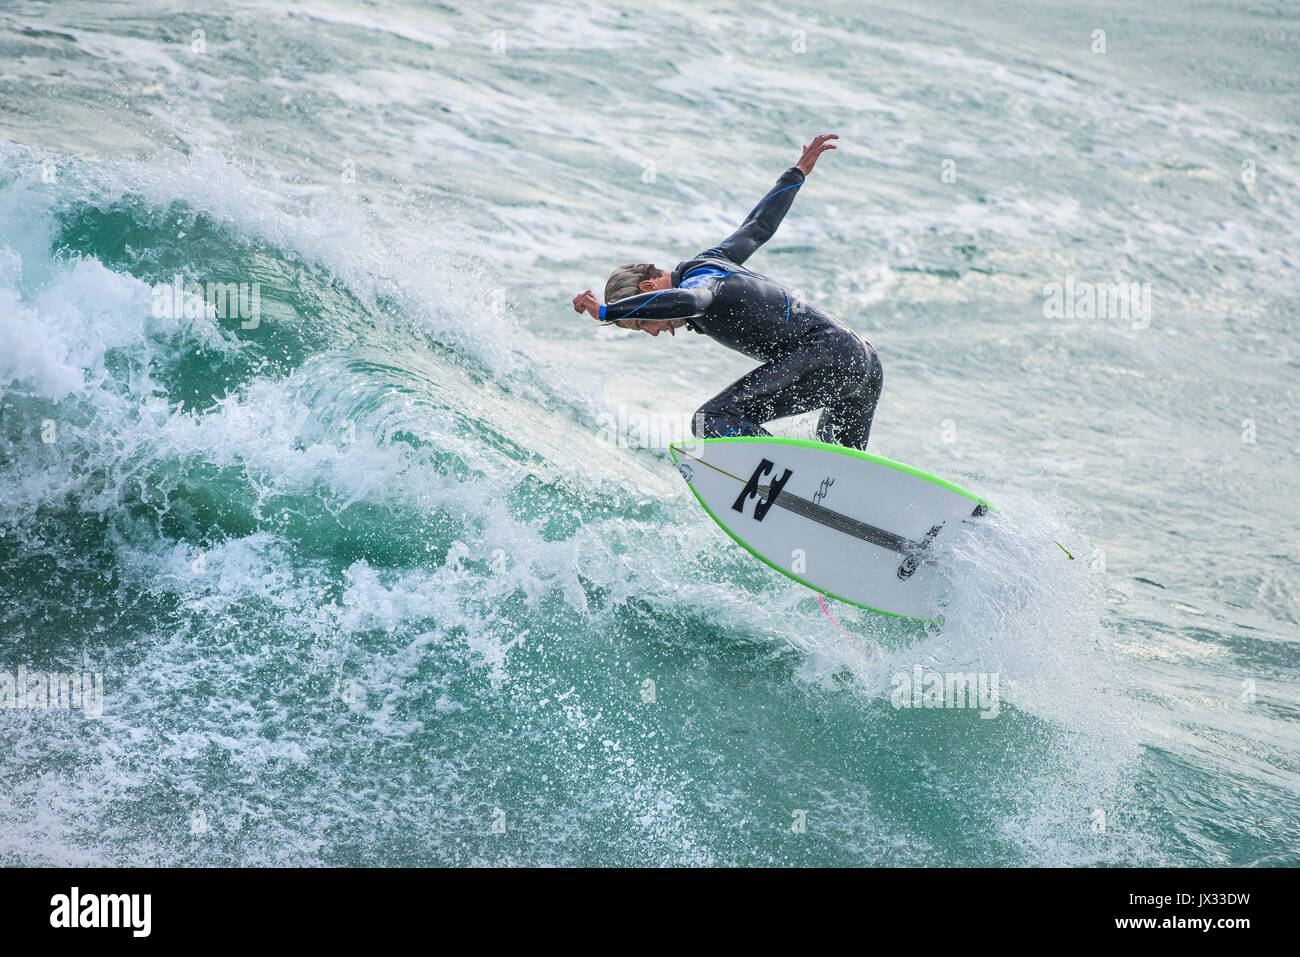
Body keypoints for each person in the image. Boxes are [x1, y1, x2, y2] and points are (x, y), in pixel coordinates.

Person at [571, 133, 884, 450]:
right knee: (840, 468)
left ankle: (790, 478)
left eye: (642, 321)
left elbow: (689, 300)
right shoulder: (712, 262)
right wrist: (797, 173)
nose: (653, 331)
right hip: (863, 362)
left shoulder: (701, 284)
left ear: (650, 288)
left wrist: (608, 311)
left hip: (828, 357)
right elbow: (759, 225)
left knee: (711, 419)